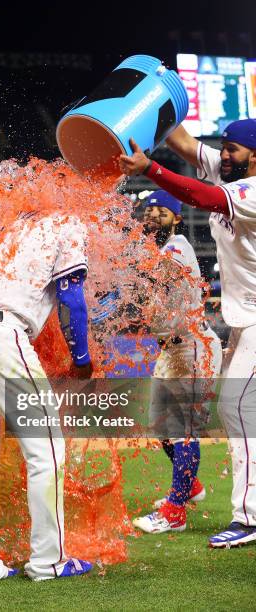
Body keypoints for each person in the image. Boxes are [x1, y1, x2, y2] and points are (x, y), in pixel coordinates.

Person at [119, 118, 256, 548]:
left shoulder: (250, 190)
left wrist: (149, 171)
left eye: (232, 148)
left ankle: (248, 517)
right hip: (238, 321)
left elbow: (200, 195)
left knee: (234, 409)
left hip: (242, 323)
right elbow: (181, 142)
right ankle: (202, 495)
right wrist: (158, 100)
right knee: (191, 420)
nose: (223, 154)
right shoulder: (231, 169)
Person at [0, 211, 93, 581]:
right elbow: (72, 299)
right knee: (47, 449)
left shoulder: (12, 227)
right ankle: (48, 562)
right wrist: (82, 358)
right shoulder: (69, 222)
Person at [130, 190, 222, 534]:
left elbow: (161, 274)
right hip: (170, 350)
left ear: (177, 219)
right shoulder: (156, 251)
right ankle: (191, 486)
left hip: (193, 348)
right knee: (159, 426)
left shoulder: (176, 246)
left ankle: (175, 513)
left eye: (162, 212)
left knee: (183, 430)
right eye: (149, 211)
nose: (153, 215)